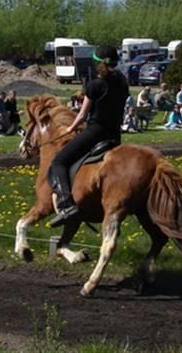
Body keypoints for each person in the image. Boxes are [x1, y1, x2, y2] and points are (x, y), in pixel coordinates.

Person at [49, 45, 129, 227]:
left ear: (98, 64)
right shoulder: (123, 82)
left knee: (59, 161)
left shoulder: (94, 85)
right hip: (115, 135)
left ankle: (67, 205)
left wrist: (71, 128)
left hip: (96, 132)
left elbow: (83, 115)